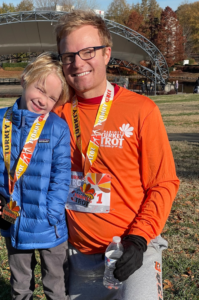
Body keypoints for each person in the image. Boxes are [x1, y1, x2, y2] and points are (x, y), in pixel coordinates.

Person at [54, 10, 180, 300]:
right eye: (69, 56)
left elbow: (164, 183)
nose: (77, 63)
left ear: (107, 53)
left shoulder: (142, 111)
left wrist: (137, 240)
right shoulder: (55, 114)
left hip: (133, 251)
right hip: (79, 256)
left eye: (88, 52)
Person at [0, 52, 71, 300]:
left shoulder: (57, 128)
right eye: (40, 89)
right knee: (20, 284)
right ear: (25, 79)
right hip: (12, 220)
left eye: (52, 97)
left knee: (57, 286)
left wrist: (52, 213)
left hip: (51, 226)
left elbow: (62, 176)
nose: (43, 100)